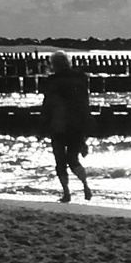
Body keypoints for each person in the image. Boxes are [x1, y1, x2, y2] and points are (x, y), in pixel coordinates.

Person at [39, 51, 94, 203]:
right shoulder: (81, 78)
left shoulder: (52, 80)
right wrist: (86, 123)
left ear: (54, 65)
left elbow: (48, 103)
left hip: (58, 124)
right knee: (73, 158)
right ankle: (86, 186)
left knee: (60, 161)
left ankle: (66, 193)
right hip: (77, 123)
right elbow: (84, 102)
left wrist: (43, 121)